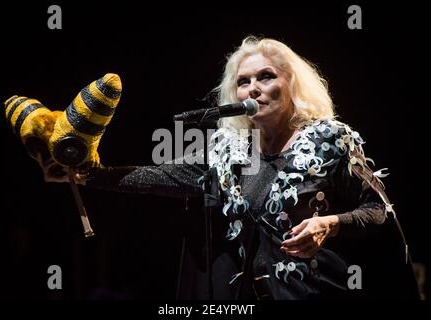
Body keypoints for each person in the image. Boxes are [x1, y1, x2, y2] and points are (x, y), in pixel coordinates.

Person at [38, 36, 419, 299]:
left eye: (266, 76)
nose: (252, 88)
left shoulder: (332, 140)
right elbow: (161, 177)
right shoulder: (230, 153)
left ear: (291, 85)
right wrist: (86, 172)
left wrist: (329, 224)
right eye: (243, 82)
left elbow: (380, 212)